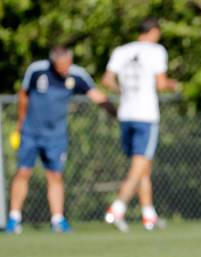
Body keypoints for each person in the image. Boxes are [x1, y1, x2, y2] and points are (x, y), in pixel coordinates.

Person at [6, 47, 115, 234]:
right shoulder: (37, 70)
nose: (64, 69)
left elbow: (95, 95)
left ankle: (58, 219)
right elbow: (23, 95)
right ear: (53, 63)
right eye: (60, 66)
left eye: (67, 65)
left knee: (55, 175)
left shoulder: (78, 75)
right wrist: (20, 125)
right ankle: (14, 219)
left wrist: (115, 112)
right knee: (23, 172)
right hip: (30, 132)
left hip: (55, 137)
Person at [103, 18, 178, 232]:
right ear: (153, 32)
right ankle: (117, 208)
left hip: (126, 113)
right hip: (145, 115)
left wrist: (124, 93)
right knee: (139, 167)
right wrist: (174, 85)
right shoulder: (156, 51)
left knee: (143, 166)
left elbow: (107, 80)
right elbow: (161, 84)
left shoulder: (121, 51)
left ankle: (148, 215)